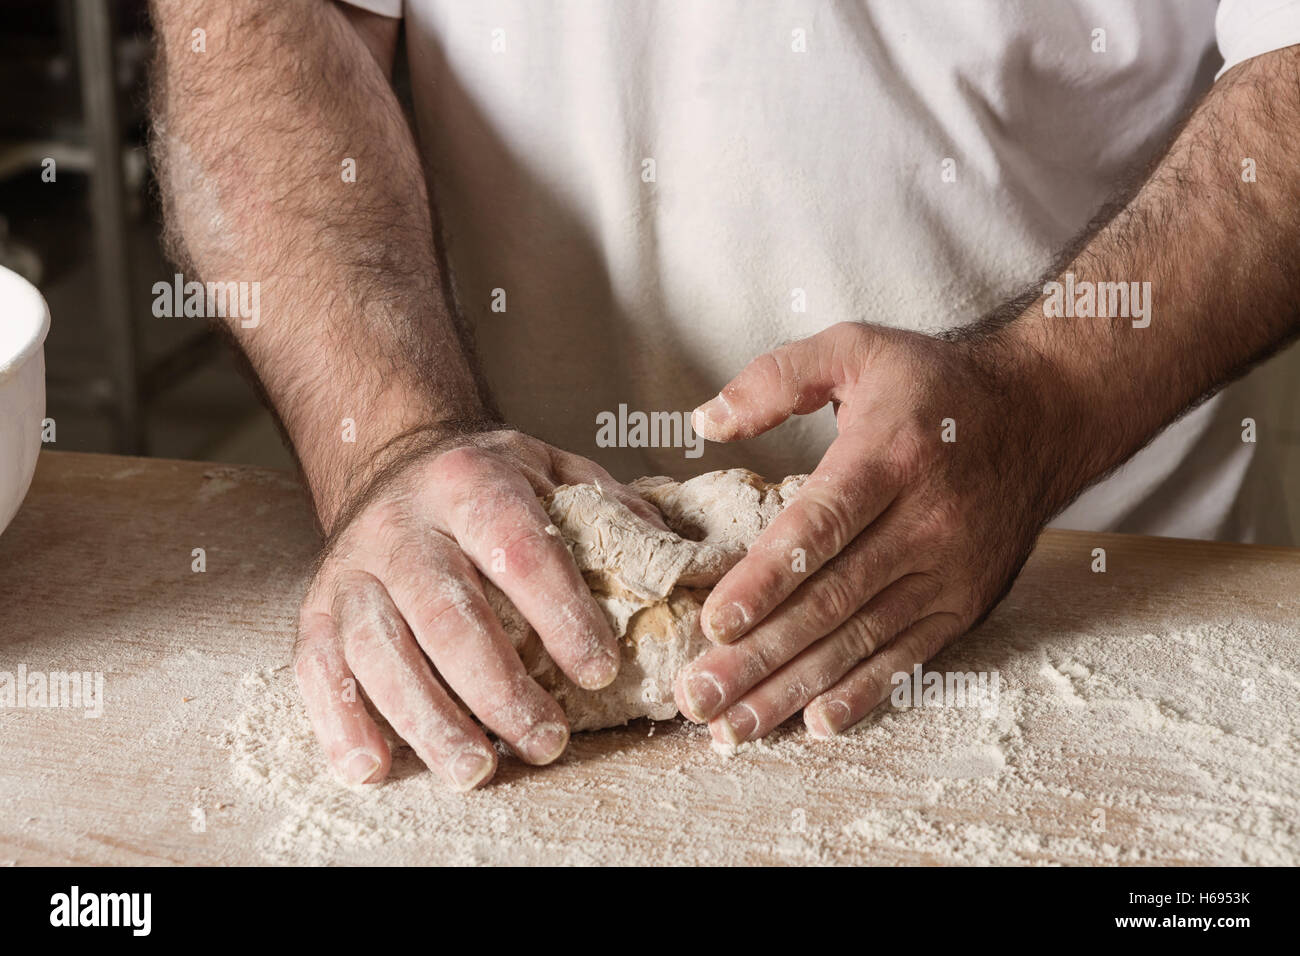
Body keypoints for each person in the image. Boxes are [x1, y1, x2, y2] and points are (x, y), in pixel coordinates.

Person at [149, 0, 1300, 790]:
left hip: (1092, 588)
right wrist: (394, 438)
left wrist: (1041, 397)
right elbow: (259, 24)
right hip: (495, 581)